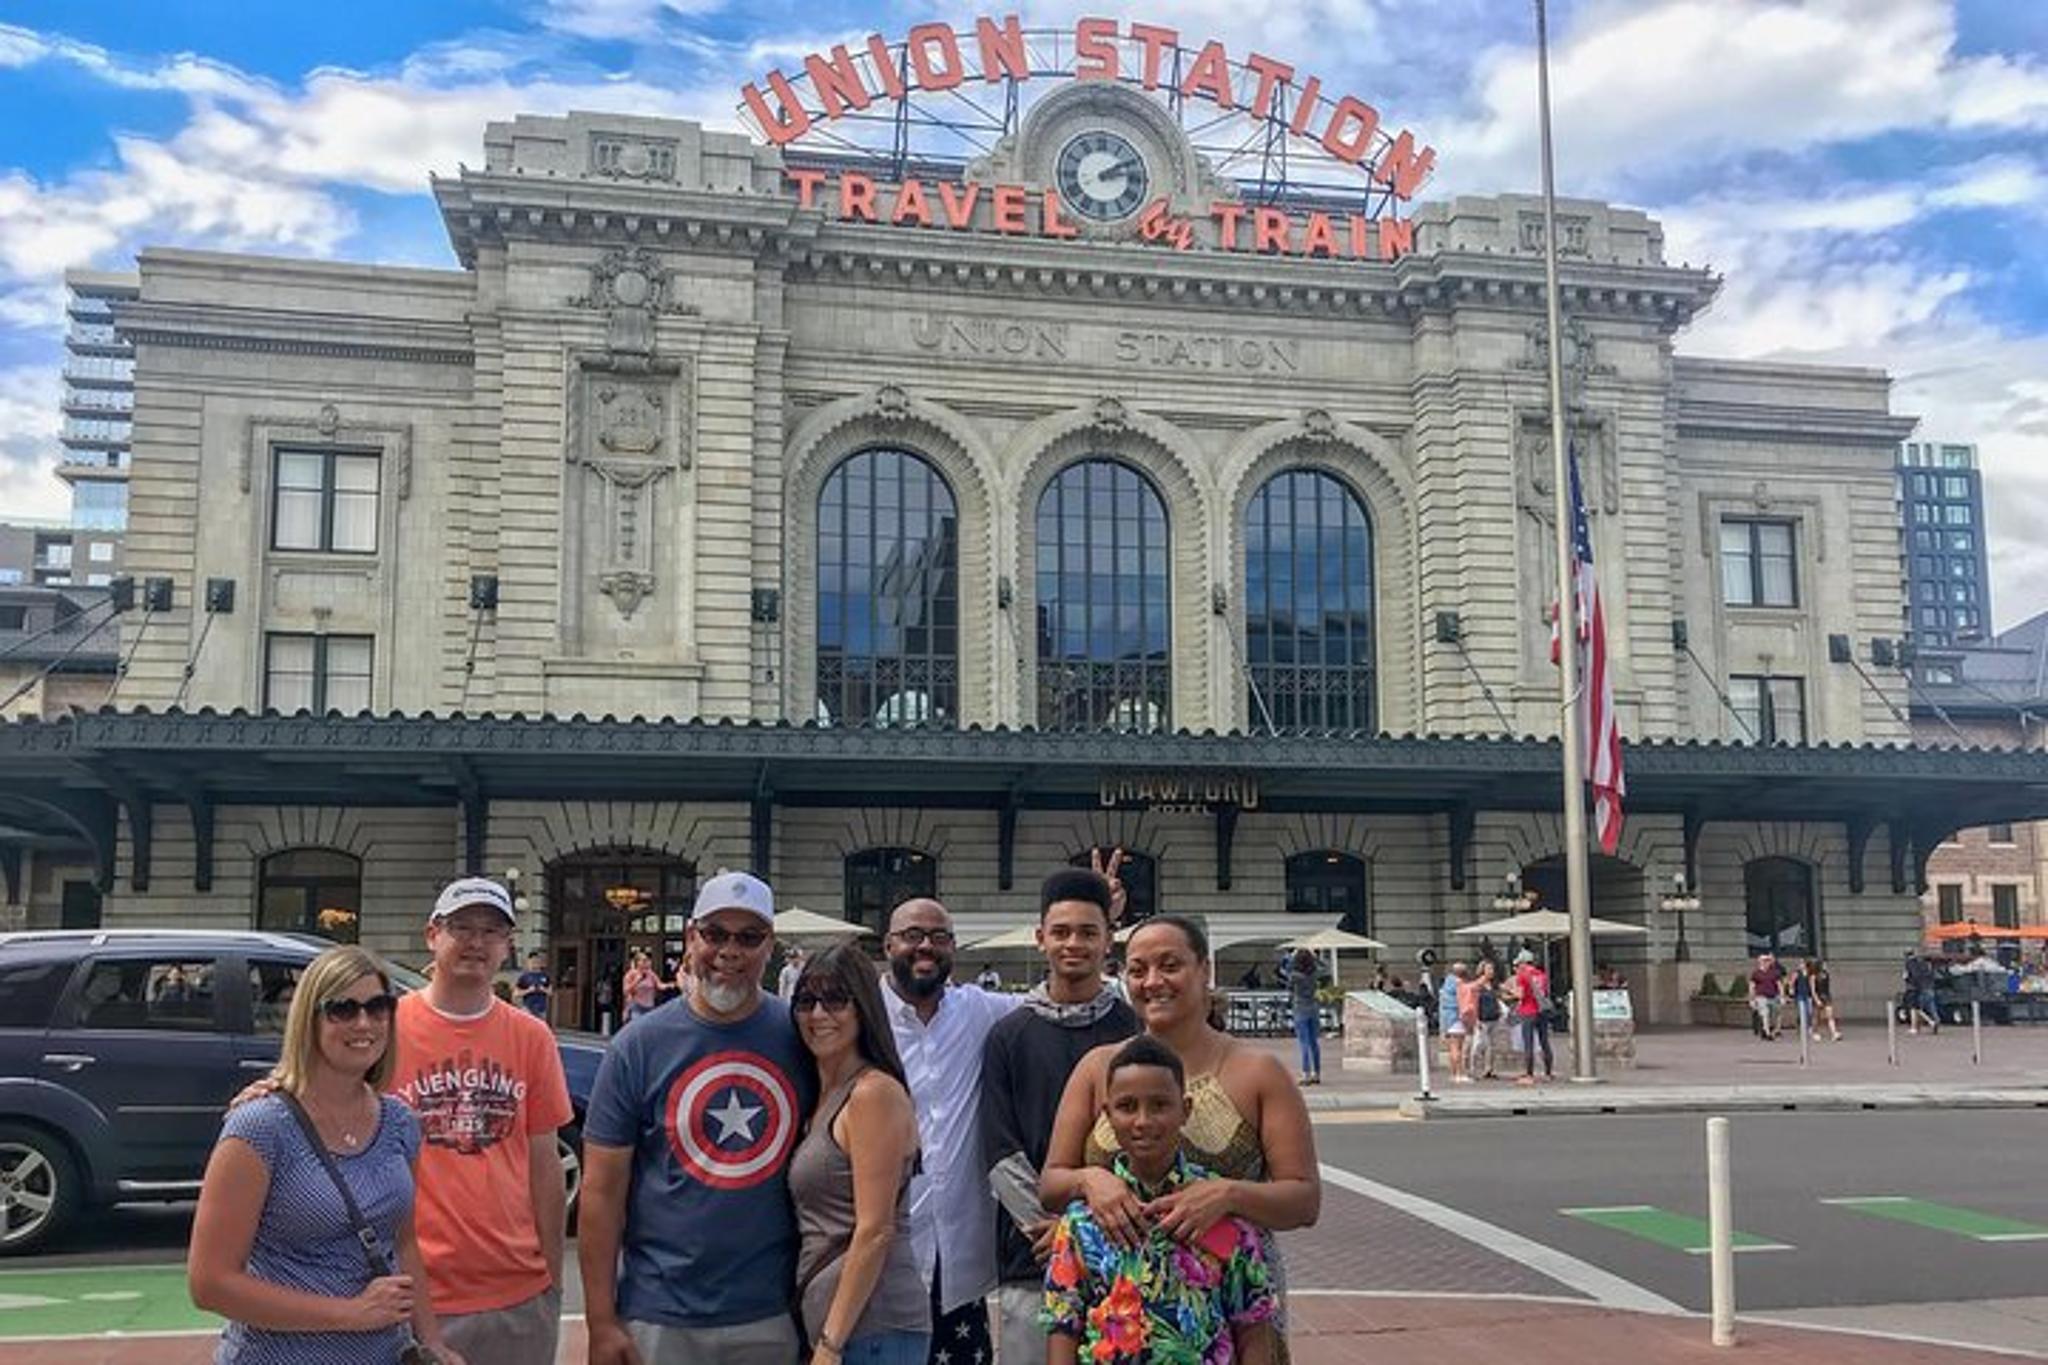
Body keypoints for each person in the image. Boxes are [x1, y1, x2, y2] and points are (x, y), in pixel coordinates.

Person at [1042, 915, 1320, 1362]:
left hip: (1232, 1318)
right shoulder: (1098, 1068)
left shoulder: (1258, 1072)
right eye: (1137, 970)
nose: (1153, 982)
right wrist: (1091, 1181)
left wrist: (1228, 1195)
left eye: (1170, 965)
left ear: (1204, 969)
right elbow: (1052, 1182)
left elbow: (1304, 1200)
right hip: (1115, 1318)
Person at [578, 871, 814, 1365]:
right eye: (715, 934)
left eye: (749, 937)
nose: (730, 951)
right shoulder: (636, 1047)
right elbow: (601, 1193)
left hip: (772, 1311)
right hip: (659, 1313)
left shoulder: (803, 1038)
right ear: (691, 937)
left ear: (769, 946)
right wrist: (601, 1321)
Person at [189, 945, 464, 1365]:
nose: (363, 1023)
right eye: (342, 1009)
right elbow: (210, 1284)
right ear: (309, 1020)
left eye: (378, 1007)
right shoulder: (260, 1128)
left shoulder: (400, 1123)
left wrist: (431, 1342)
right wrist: (350, 1314)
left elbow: (403, 1244)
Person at [980, 867, 1138, 1365]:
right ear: (1040, 938)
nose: (1074, 944)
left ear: (1108, 940)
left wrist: (1087, 1230)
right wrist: (1055, 1231)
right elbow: (999, 1149)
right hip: (1033, 1255)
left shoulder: (1134, 1030)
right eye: (1061, 932)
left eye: (1088, 932)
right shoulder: (1009, 1035)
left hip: (1124, 1250)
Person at [1041, 1036, 1276, 1365]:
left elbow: (1251, 1324)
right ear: (1107, 1115)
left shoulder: (1220, 1211)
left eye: (1160, 1105)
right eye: (1127, 1107)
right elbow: (1063, 1326)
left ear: (1185, 1110)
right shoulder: (1082, 1222)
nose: (1143, 1121)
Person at [882, 897, 1020, 1365]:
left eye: (939, 937)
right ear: (888, 945)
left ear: (953, 948)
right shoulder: (859, 1016)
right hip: (882, 1254)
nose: (926, 946)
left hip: (958, 1260)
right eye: (912, 935)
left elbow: (1061, 1004)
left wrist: (1100, 915)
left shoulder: (980, 1010)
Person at [789, 943, 928, 1365]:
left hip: (874, 1332)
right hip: (842, 1330)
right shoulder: (821, 1097)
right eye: (806, 1001)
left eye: (835, 1000)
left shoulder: (872, 1095)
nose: (818, 1014)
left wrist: (830, 1344)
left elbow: (875, 1230)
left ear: (863, 1007)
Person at [1506, 949, 1553, 1084]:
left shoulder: (1522, 975)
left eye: (1519, 963)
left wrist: (1508, 990)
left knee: (1528, 1042)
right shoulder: (1542, 975)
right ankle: (1548, 1073)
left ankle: (1529, 1074)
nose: (1518, 966)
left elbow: (1520, 995)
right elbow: (1544, 993)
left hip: (1528, 1011)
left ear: (1523, 963)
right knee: (1544, 1042)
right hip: (1542, 1011)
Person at [1282, 949, 1323, 1086]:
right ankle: (1317, 1073)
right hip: (1313, 1008)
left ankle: (1306, 1074)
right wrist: (1316, 958)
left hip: (1300, 1009)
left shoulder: (1295, 976)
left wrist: (1291, 957)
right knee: (1314, 1043)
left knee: (1303, 1043)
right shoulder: (1315, 974)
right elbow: (1325, 968)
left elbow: (1286, 974)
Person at [1461, 960, 1497, 1082]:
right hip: (1482, 1018)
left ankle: (1488, 1069)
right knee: (1477, 1045)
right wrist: (1476, 1019)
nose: (1492, 971)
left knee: (1490, 1046)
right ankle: (1472, 1070)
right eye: (1489, 969)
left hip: (1492, 1018)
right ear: (1482, 971)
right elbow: (1473, 1002)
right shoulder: (1478, 985)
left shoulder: (1491, 984)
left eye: (1492, 969)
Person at [1437, 962, 1468, 1085]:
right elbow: (1462, 1001)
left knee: (1452, 1048)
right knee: (1458, 1048)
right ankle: (1460, 1074)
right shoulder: (1459, 983)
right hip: (1457, 1017)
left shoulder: (1446, 984)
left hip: (1447, 1018)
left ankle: (1453, 1073)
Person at [1748, 952, 1784, 1041]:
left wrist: (1782, 996)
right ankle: (1767, 1033)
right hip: (1761, 996)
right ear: (1760, 962)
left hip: (1773, 996)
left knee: (1774, 1014)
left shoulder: (1774, 972)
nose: (1766, 962)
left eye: (1767, 961)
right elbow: (1752, 986)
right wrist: (1752, 999)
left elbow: (1779, 985)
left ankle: (1769, 1029)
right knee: (1765, 1013)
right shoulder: (1756, 973)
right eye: (1764, 961)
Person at [1905, 950, 1941, 1035]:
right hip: (1928, 988)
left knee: (1916, 1009)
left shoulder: (1910, 963)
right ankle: (1935, 1021)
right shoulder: (1924, 965)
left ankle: (1921, 1025)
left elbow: (1913, 975)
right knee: (1930, 1007)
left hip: (1918, 988)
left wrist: (1908, 979)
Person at [621, 950, 659, 1023]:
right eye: (644, 961)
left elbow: (659, 985)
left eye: (647, 961)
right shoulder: (631, 974)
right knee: (637, 1025)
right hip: (637, 1006)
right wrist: (636, 981)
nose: (646, 963)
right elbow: (625, 991)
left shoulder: (651, 974)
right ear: (637, 962)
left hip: (650, 1006)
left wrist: (672, 984)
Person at [516, 950, 553, 1022]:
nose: (535, 963)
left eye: (536, 961)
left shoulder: (545, 976)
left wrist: (543, 989)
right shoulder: (524, 977)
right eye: (532, 961)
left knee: (540, 1027)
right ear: (528, 962)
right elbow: (516, 994)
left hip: (541, 1009)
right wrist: (528, 990)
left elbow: (550, 992)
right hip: (528, 1009)